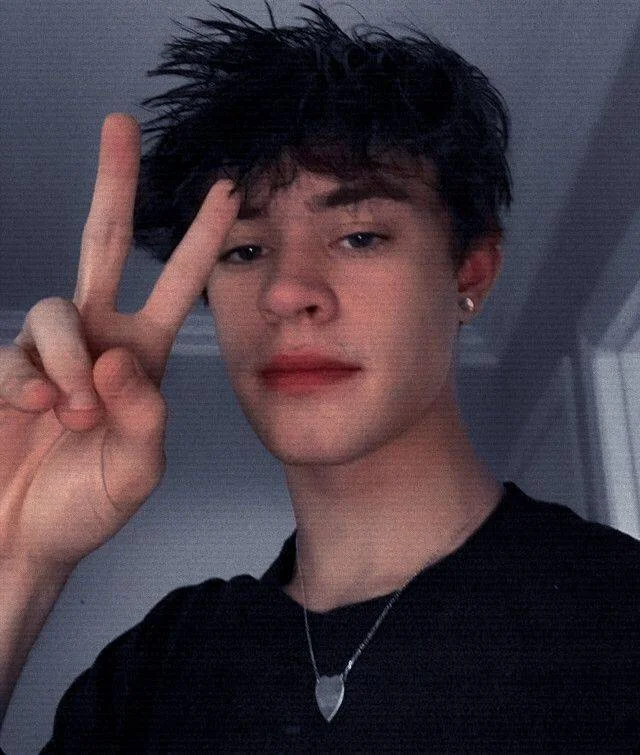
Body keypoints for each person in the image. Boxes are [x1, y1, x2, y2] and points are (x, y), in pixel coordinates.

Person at [1, 5, 638, 751]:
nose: (286, 291)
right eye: (243, 251)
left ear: (469, 274)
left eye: (359, 236)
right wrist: (18, 560)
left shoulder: (618, 618)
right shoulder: (159, 669)